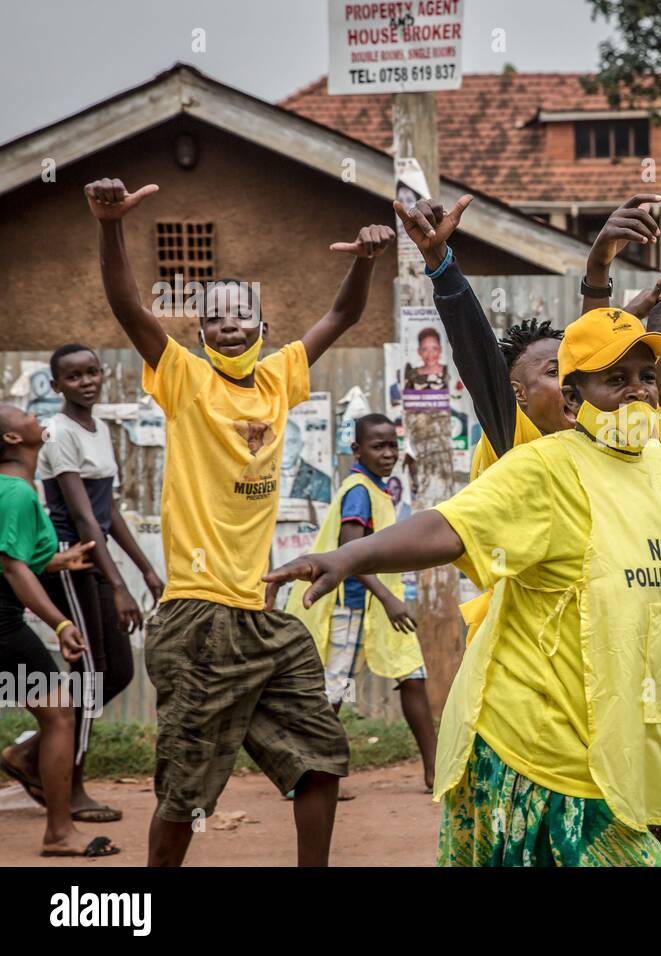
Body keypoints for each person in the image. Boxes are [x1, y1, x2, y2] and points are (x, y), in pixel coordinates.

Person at [264, 310, 661, 868]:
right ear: (572, 397)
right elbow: (448, 528)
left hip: (619, 746)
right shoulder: (546, 466)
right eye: (616, 379)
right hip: (538, 755)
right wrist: (349, 555)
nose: (637, 392)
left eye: (646, 377)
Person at [84, 176, 395, 866]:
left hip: (262, 614)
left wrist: (367, 260)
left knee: (320, 757)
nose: (230, 325)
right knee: (186, 792)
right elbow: (129, 307)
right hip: (196, 616)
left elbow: (342, 315)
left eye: (242, 315)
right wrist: (109, 224)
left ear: (263, 328)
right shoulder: (184, 378)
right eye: (216, 319)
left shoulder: (281, 377)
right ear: (200, 333)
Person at [9, 344, 165, 827]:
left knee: (117, 670)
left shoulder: (98, 430)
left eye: (92, 372)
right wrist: (118, 584)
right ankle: (72, 789)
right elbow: (81, 516)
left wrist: (145, 569)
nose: (86, 382)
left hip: (93, 558)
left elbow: (107, 510)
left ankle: (28, 754)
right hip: (69, 559)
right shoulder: (58, 432)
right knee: (89, 677)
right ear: (57, 385)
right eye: (74, 376)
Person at [284, 414, 436, 791]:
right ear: (357, 450)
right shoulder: (358, 491)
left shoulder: (375, 488)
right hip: (352, 604)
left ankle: (435, 772)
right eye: (378, 446)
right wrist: (387, 598)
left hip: (379, 606)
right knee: (334, 689)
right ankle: (305, 777)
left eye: (392, 446)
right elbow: (349, 552)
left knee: (412, 675)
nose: (388, 454)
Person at [0, 404, 114, 856]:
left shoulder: (15, 487)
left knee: (56, 712)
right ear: (12, 438)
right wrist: (61, 623)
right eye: (24, 416)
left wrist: (54, 560)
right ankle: (60, 833)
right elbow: (11, 567)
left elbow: (17, 558)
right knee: (60, 715)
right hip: (3, 623)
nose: (35, 417)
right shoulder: (15, 491)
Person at [281, 416, 333, 504]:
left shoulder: (321, 481)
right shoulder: (259, 477)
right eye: (280, 443)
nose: (285, 450)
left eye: (292, 442)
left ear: (301, 445)